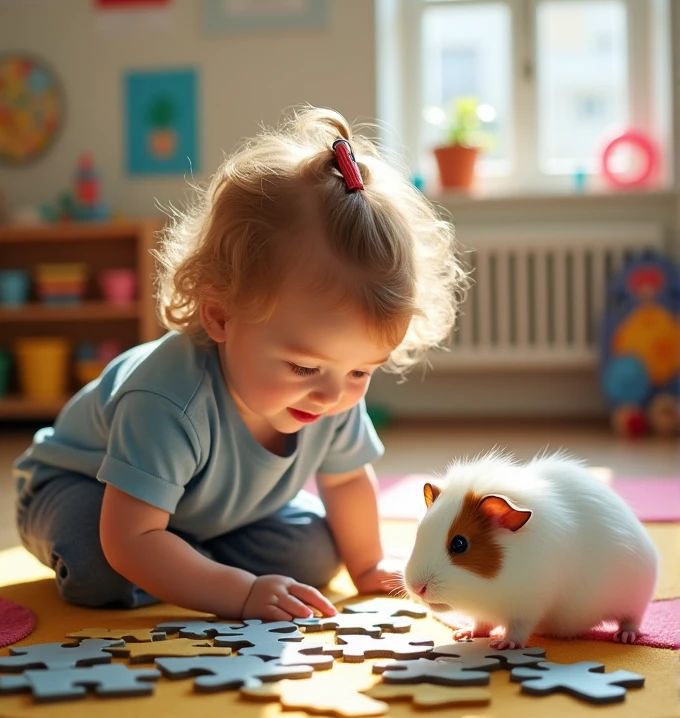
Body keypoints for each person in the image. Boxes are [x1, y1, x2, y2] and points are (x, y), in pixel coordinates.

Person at [14, 107, 467, 621]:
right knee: (103, 566)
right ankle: (185, 565)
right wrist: (239, 593)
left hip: (206, 516)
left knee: (314, 554)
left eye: (362, 371)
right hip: (86, 494)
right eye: (302, 368)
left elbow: (345, 481)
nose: (333, 397)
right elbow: (128, 538)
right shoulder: (165, 399)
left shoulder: (331, 388)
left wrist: (366, 566)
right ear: (220, 316)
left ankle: (184, 561)